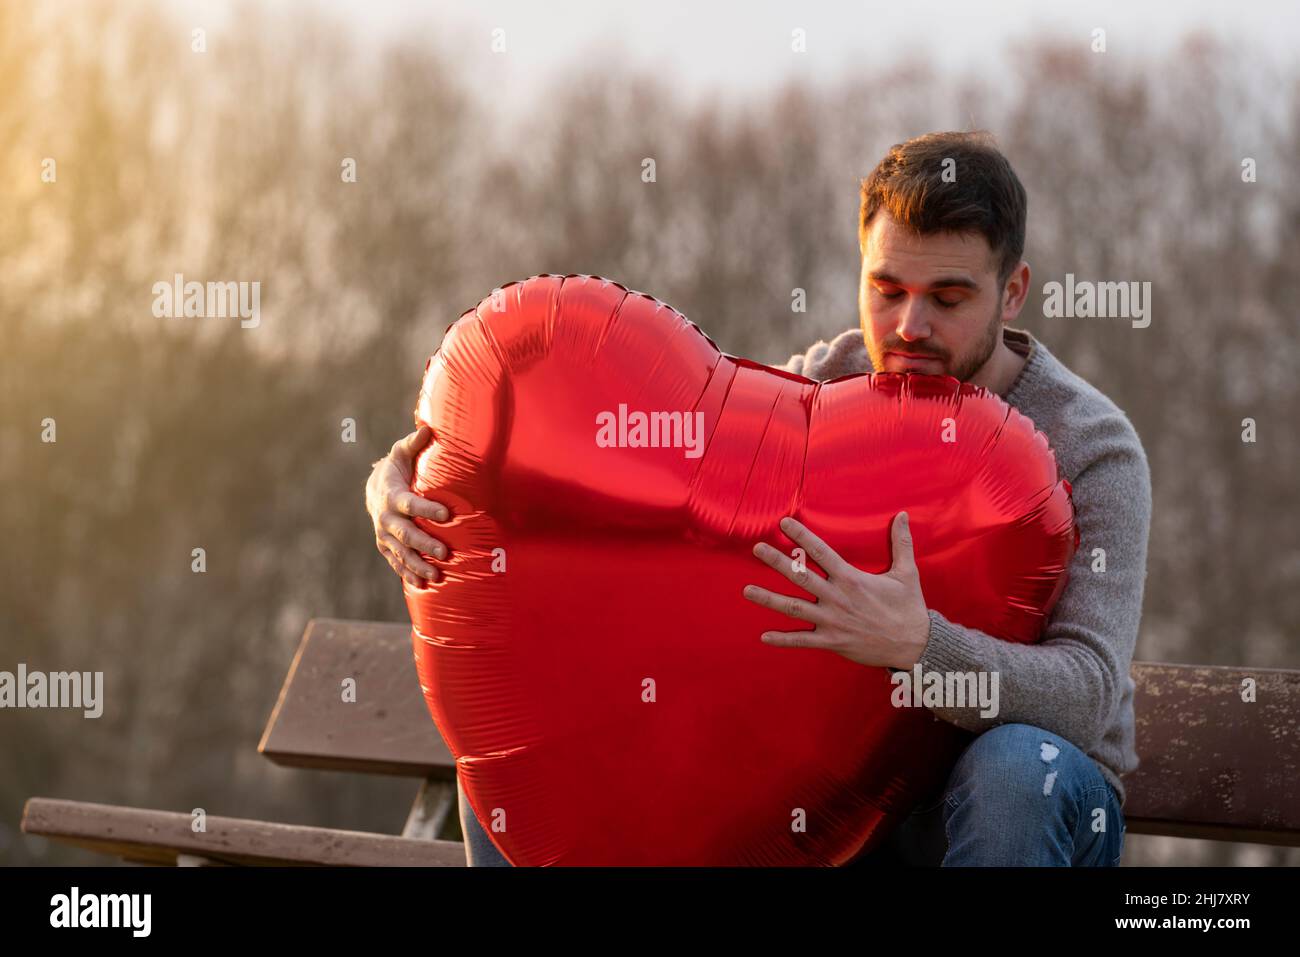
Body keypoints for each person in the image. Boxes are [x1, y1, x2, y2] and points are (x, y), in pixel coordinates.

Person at [365, 131, 1148, 867]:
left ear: (1012, 292)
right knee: (526, 721)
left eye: (948, 298)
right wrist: (423, 474)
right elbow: (651, 502)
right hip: (826, 796)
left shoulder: (1091, 444)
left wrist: (920, 648)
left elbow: (1085, 694)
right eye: (886, 289)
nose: (910, 325)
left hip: (1011, 801)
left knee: (1017, 767)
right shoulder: (822, 389)